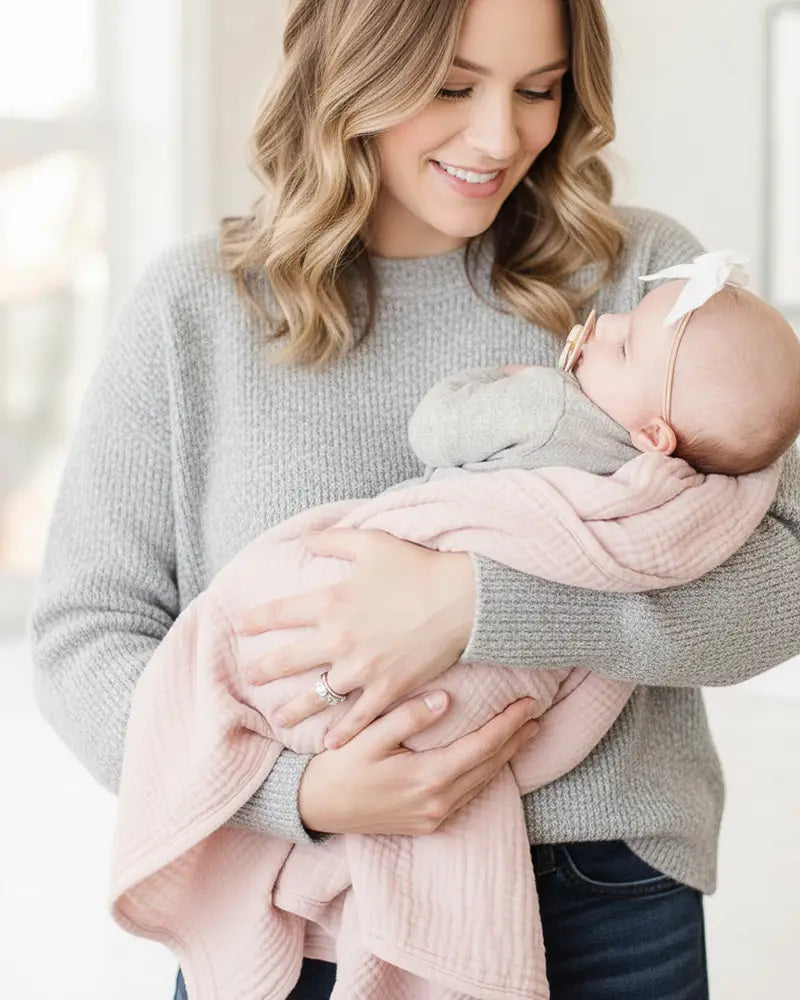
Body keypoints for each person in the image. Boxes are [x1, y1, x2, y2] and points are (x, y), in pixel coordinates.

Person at [27, 1, 799, 999]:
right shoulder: (198, 308)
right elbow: (86, 633)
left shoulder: (642, 286)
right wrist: (288, 793)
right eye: (449, 86)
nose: (498, 135)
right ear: (349, 70)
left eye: (538, 90)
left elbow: (781, 570)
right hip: (297, 896)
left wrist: (472, 607)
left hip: (595, 887)